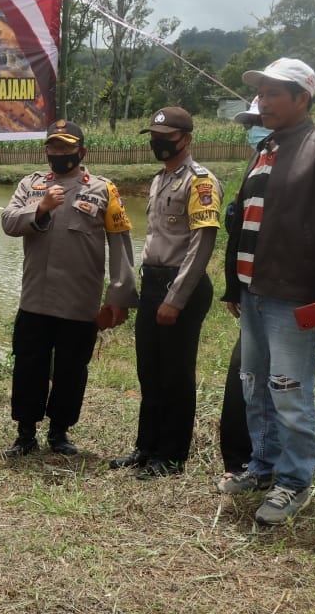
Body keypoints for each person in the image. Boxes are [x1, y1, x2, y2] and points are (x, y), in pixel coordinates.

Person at [220, 58, 315, 525]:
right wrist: (232, 285)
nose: (262, 102)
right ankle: (263, 466)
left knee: (289, 390)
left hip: (293, 296)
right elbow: (246, 223)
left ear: (302, 98)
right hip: (252, 293)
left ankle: (293, 482)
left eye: (272, 94)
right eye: (259, 94)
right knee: (253, 387)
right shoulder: (263, 149)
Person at [1, 120, 137, 458]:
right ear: (46, 150)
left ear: (82, 151)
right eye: (54, 147)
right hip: (35, 299)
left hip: (80, 303)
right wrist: (41, 207)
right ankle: (25, 433)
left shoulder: (104, 189)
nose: (59, 154)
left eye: (66, 147)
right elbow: (8, 222)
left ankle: (59, 433)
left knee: (71, 369)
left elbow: (121, 246)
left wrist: (119, 296)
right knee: (28, 366)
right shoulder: (30, 185)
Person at [110, 108, 221, 478]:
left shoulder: (200, 182)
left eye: (166, 135)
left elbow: (201, 244)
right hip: (153, 282)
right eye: (154, 135)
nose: (158, 142)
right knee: (150, 372)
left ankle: (172, 456)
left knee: (175, 374)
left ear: (186, 138)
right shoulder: (160, 179)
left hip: (181, 286)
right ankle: (147, 448)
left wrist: (176, 298)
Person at [217, 96, 273, 481]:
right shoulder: (260, 159)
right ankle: (246, 461)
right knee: (246, 374)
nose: (254, 128)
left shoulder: (305, 161)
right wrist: (234, 288)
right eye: (250, 122)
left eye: (258, 120)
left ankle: (273, 464)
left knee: (281, 382)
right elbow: (239, 229)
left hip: (281, 293)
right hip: (251, 290)